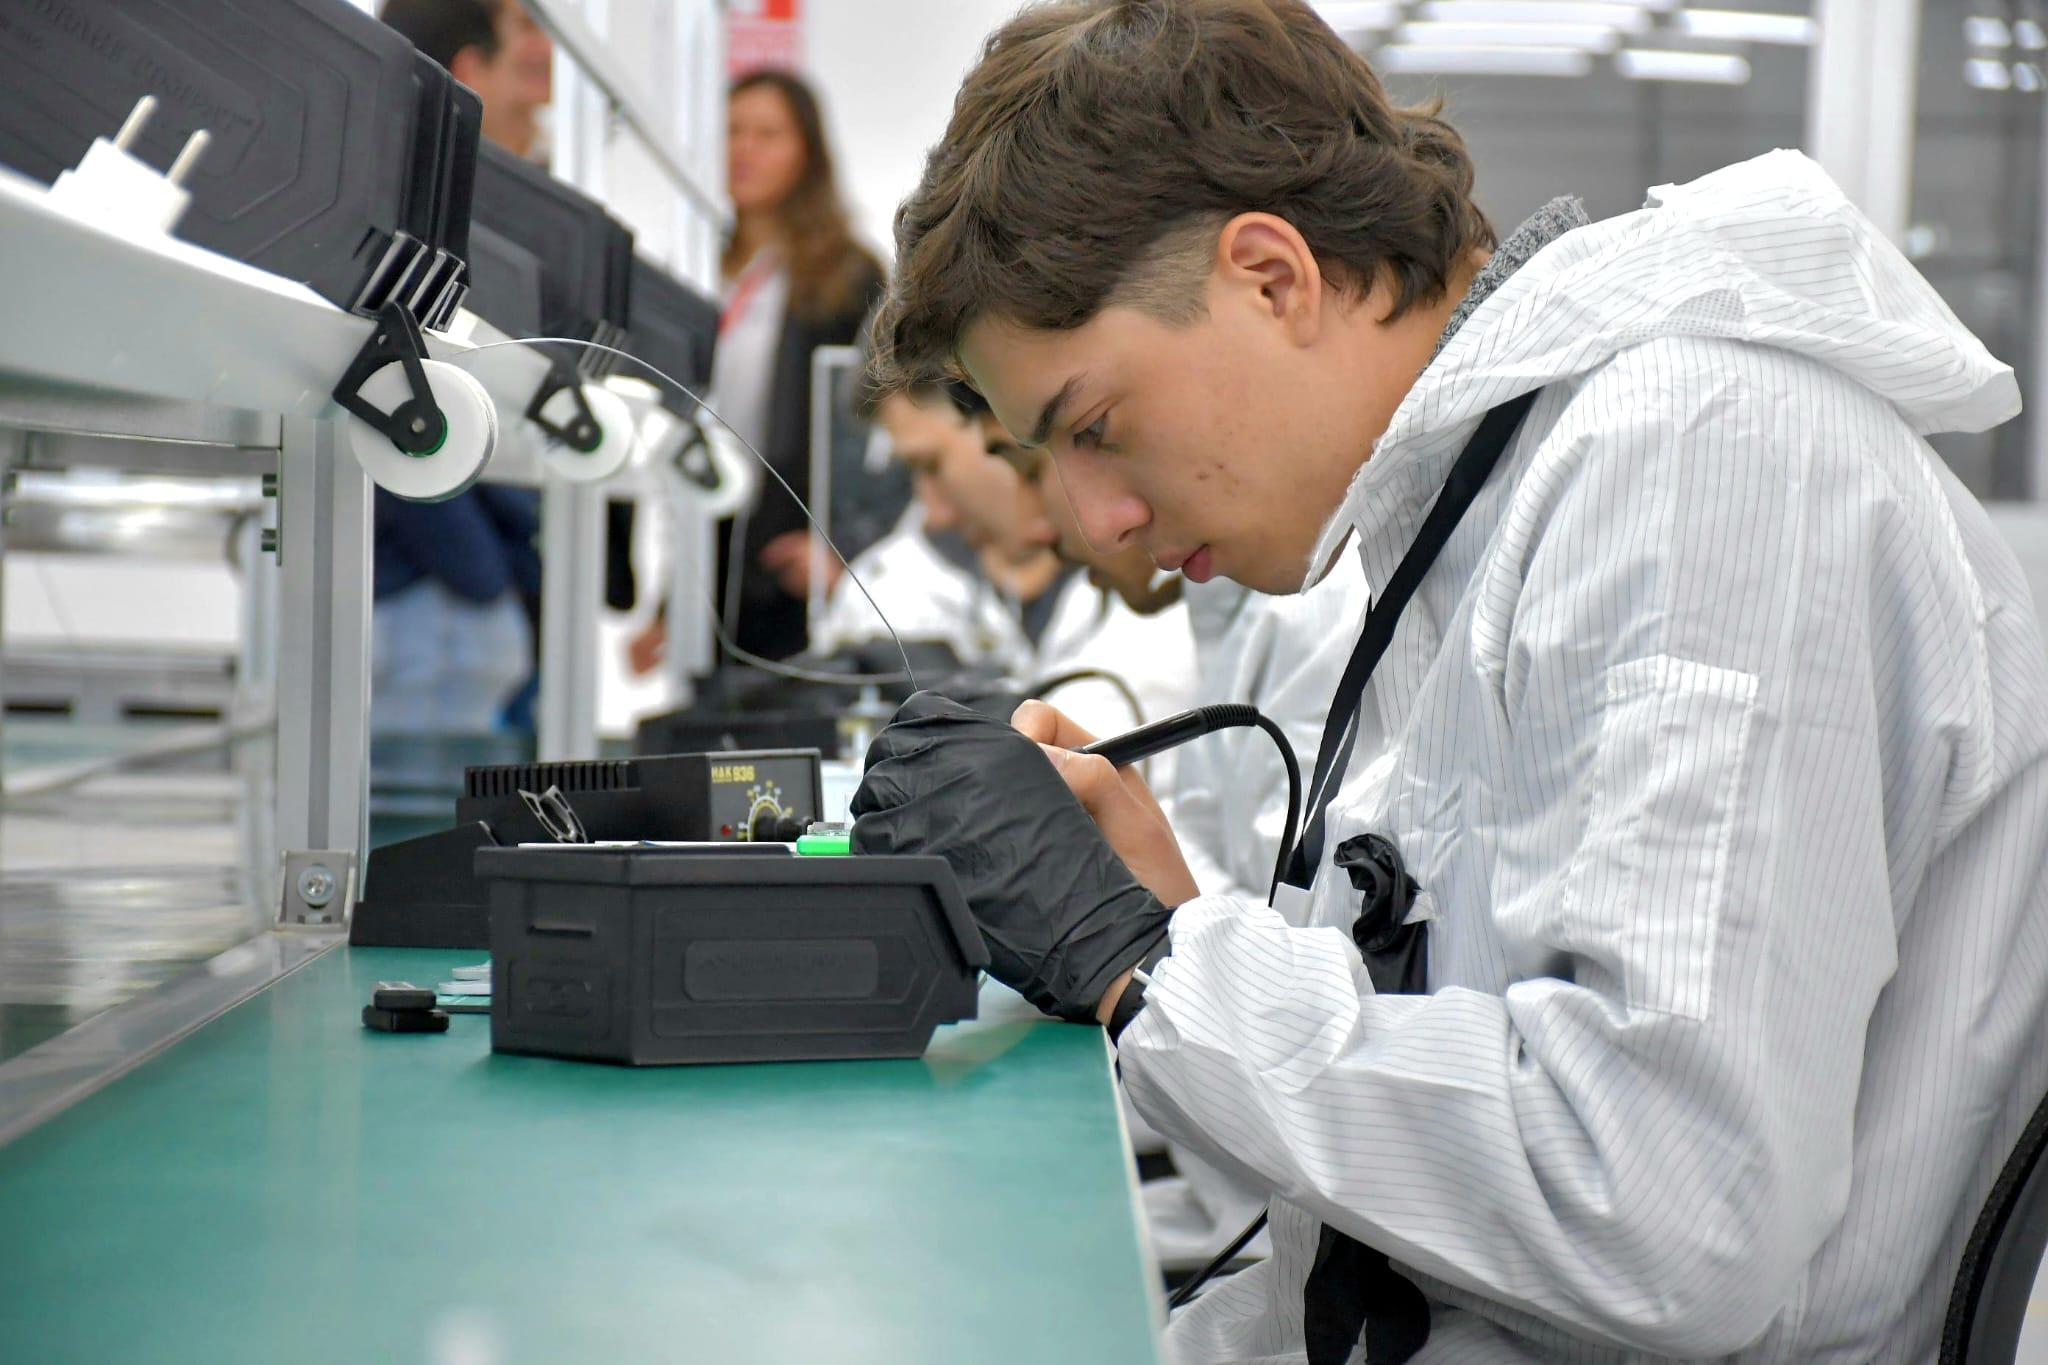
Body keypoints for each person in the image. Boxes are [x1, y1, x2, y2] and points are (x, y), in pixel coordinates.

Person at [850, 3, 2048, 1362]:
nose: (1089, 520)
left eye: (1098, 427)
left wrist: (1156, 970)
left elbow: (1663, 1211)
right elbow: (1381, 1229)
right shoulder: (1479, 512)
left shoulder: (1700, 460)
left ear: (1271, 276)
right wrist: (1165, 920)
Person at [990, 408, 1371, 1271]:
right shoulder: (1238, 625)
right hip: (1247, 1184)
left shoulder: (1318, 617)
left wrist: (1116, 934)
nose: (1073, 524)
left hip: (1284, 1206)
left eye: (1090, 434)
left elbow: (1310, 982)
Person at [375, 0, 551, 733]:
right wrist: (483, 575)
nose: (539, 75)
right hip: (435, 598)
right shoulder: (407, 209)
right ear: (472, 69)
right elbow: (397, 397)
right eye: (522, 44)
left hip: (461, 592)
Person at [710, 70, 886, 664]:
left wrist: (846, 548)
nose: (744, 149)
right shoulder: (703, 264)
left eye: (767, 133)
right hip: (710, 544)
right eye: (732, 131)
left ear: (807, 153)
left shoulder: (846, 276)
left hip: (793, 558)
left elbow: (880, 428)